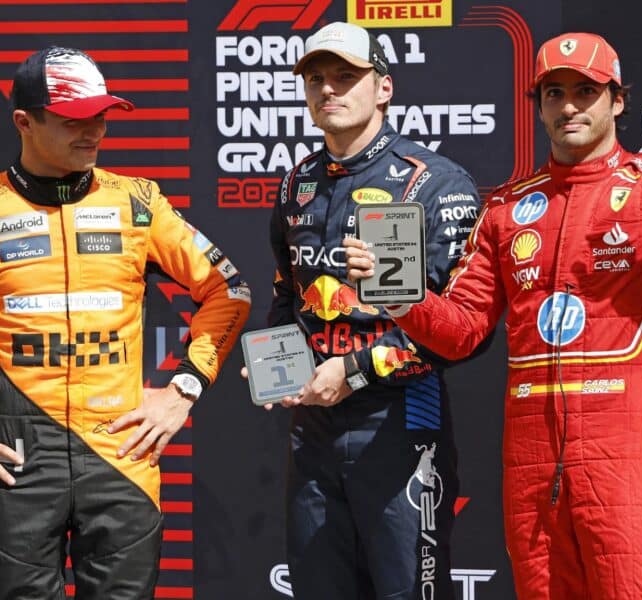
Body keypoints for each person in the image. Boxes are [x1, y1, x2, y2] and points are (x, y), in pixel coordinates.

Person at [345, 1, 642, 598]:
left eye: (586, 90)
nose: (569, 105)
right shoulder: (505, 207)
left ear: (618, 100)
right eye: (554, 93)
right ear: (538, 104)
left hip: (619, 442)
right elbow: (465, 327)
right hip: (528, 448)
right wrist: (401, 294)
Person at [0, 46, 250, 598]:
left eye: (102, 115)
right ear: (25, 121)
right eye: (75, 119)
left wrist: (184, 388)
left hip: (122, 456)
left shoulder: (139, 203)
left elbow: (229, 290)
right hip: (16, 462)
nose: (94, 131)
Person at [260, 21, 481, 600]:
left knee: (407, 591)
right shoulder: (297, 184)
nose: (327, 90)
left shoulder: (432, 184)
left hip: (402, 419)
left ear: (383, 87)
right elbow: (287, 293)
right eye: (315, 79)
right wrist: (277, 367)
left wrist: (354, 370)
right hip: (313, 427)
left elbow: (458, 332)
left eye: (345, 76)